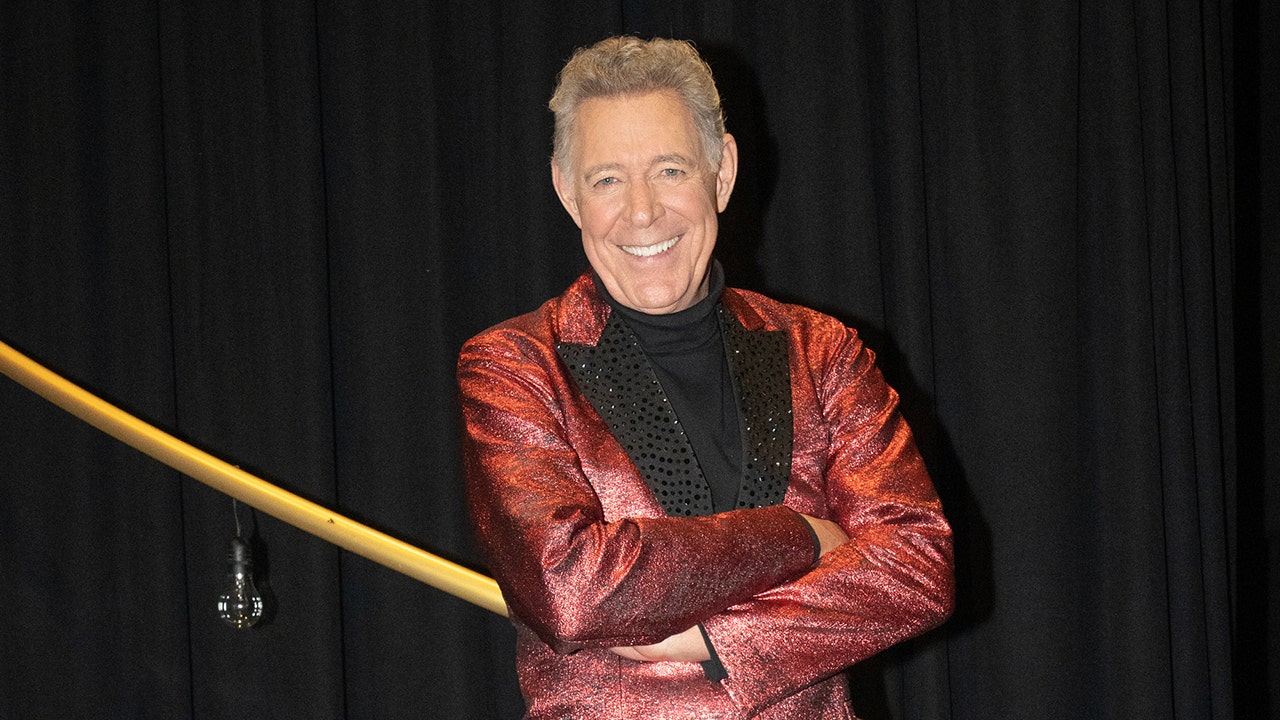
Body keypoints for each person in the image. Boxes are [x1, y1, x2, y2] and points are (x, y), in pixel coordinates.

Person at [458, 36, 954, 719]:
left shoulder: (821, 351)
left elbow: (919, 562)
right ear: (567, 192)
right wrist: (803, 535)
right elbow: (569, 588)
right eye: (607, 180)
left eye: (670, 170)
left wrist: (719, 641)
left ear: (721, 173)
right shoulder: (515, 365)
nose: (642, 211)